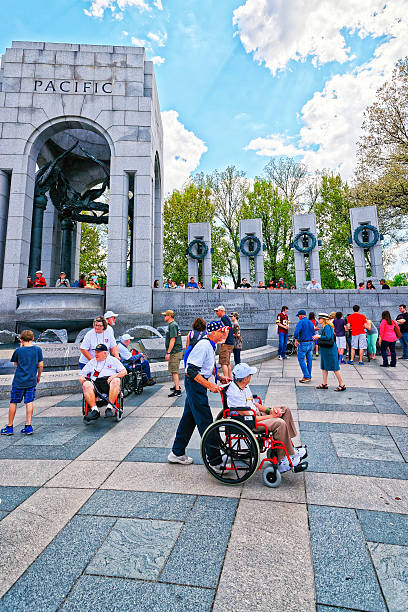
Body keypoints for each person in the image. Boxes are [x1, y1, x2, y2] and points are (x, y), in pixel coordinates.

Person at [168, 320, 230, 466]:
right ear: (213, 333)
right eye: (222, 331)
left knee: (188, 419)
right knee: (205, 421)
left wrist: (218, 377)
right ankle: (215, 461)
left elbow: (206, 365)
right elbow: (191, 371)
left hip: (196, 384)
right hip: (195, 385)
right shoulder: (204, 345)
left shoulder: (210, 345)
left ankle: (177, 453)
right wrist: (210, 385)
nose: (225, 334)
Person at [226, 363, 307, 473]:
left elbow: (254, 404)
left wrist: (270, 410)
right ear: (245, 378)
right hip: (249, 422)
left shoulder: (244, 386)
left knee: (285, 410)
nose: (251, 377)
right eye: (250, 375)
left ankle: (289, 448)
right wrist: (271, 416)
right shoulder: (234, 393)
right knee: (279, 423)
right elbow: (250, 416)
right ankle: (282, 460)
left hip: (255, 415)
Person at [1, 330, 43, 436]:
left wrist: (21, 347)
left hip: (19, 381)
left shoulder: (18, 351)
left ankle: (10, 427)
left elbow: (16, 363)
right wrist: (38, 376)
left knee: (13, 402)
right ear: (33, 339)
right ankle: (28, 426)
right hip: (31, 381)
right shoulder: (38, 350)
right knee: (29, 402)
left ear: (21, 339)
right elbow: (41, 365)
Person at [80, 343, 127, 422]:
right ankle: (95, 410)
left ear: (105, 353)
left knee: (116, 380)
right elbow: (82, 375)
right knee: (86, 384)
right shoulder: (92, 362)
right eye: (95, 352)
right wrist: (83, 380)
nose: (96, 354)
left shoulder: (113, 360)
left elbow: (124, 372)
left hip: (109, 382)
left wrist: (113, 376)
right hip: (95, 383)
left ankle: (109, 407)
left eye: (98, 352)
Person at [313, 313, 346, 391]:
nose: (319, 320)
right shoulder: (325, 327)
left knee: (334, 367)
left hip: (329, 351)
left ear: (324, 319)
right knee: (324, 367)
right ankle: (324, 384)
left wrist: (319, 336)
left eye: (320, 318)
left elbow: (328, 337)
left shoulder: (327, 327)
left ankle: (342, 384)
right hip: (326, 350)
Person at [163, 309, 183, 397]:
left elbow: (173, 339)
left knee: (174, 371)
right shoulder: (172, 325)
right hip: (175, 351)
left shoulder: (172, 325)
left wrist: (168, 352)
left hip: (175, 351)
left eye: (165, 315)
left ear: (169, 316)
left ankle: (177, 391)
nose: (164, 317)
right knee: (173, 370)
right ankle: (176, 385)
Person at [294, 310, 315, 383]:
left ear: (301, 316)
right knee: (309, 360)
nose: (298, 318)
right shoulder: (310, 322)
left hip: (303, 343)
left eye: (298, 316)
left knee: (301, 359)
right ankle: (309, 375)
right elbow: (313, 332)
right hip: (310, 343)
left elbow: (296, 332)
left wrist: (296, 339)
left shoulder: (301, 322)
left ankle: (306, 376)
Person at [214, 305, 234, 379]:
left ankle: (226, 379)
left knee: (223, 362)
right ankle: (230, 378)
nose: (216, 313)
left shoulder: (224, 318)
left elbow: (227, 329)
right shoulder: (226, 318)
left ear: (221, 311)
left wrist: (223, 340)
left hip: (226, 343)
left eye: (217, 311)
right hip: (230, 343)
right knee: (227, 362)